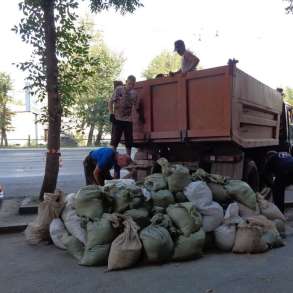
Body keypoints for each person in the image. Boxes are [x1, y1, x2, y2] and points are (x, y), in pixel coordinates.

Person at [108, 75, 139, 156]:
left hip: (128, 119)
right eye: (129, 84)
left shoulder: (134, 94)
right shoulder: (119, 89)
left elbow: (136, 106)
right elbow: (111, 102)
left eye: (132, 84)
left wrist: (140, 115)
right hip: (117, 118)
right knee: (115, 140)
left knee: (129, 141)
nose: (130, 86)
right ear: (126, 82)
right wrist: (111, 114)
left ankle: (128, 157)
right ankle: (112, 156)